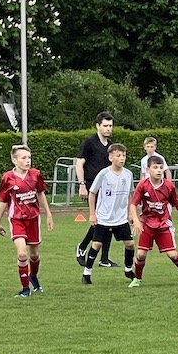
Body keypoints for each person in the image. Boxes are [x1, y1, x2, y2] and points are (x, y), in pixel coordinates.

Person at [128, 154, 178, 288]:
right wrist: (136, 220)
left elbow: (177, 203)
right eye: (155, 167)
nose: (159, 170)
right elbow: (133, 204)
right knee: (141, 254)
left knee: (172, 254)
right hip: (147, 224)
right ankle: (137, 279)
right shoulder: (143, 185)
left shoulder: (169, 186)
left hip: (164, 224)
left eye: (161, 168)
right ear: (148, 170)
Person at [0, 144, 53, 297]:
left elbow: (40, 193)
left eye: (29, 157)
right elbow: (3, 200)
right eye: (23, 158)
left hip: (33, 219)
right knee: (22, 254)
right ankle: (25, 289)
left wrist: (48, 214)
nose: (28, 160)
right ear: (14, 160)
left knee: (34, 255)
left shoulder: (35, 175)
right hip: (16, 219)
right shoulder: (8, 178)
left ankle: (33, 276)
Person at [83, 143, 136, 285]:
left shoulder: (128, 174)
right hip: (104, 218)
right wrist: (92, 214)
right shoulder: (104, 174)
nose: (122, 158)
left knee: (130, 244)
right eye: (118, 155)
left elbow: (131, 194)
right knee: (96, 245)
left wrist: (131, 214)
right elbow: (92, 193)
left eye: (124, 155)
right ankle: (87, 272)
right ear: (111, 157)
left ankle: (128, 269)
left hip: (121, 218)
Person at [75, 113, 116, 268]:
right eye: (105, 125)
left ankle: (104, 259)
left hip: (108, 187)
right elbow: (79, 164)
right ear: (98, 126)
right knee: (99, 220)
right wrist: (82, 184)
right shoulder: (89, 143)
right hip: (93, 185)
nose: (108, 129)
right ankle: (82, 247)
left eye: (110, 126)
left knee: (109, 220)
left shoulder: (111, 146)